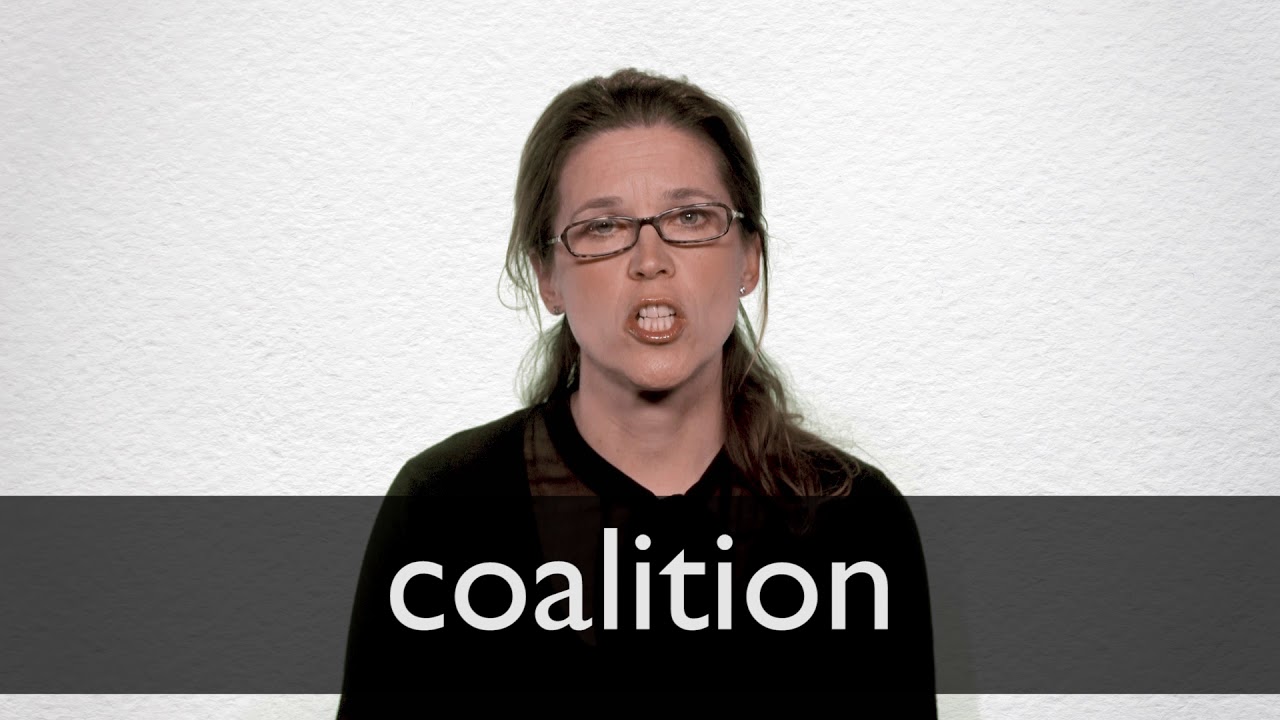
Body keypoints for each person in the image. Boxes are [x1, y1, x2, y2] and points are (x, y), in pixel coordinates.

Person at [337, 68, 935, 715]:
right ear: (548, 276)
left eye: (690, 217)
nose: (650, 260)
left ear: (749, 259)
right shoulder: (442, 510)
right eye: (603, 227)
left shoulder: (857, 524)